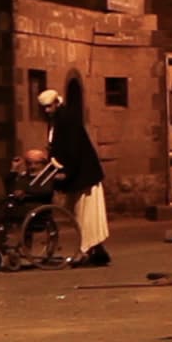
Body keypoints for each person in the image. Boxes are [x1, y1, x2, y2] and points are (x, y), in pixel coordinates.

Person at [37, 73, 110, 268]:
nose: (46, 110)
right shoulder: (59, 120)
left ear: (56, 104)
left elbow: (73, 148)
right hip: (80, 174)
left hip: (84, 175)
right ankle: (97, 250)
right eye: (44, 108)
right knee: (81, 214)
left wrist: (66, 171)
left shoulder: (66, 119)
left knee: (87, 215)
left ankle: (84, 251)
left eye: (49, 106)